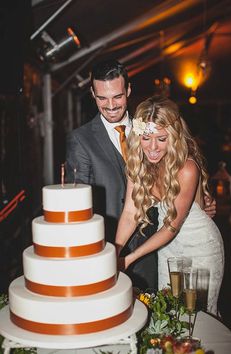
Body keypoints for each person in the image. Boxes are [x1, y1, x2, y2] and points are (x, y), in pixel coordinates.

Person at [66, 59, 216, 291]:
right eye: (102, 98)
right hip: (119, 240)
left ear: (128, 90)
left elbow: (180, 195)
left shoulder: (149, 123)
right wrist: (109, 252)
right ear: (92, 95)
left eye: (117, 96)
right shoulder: (81, 139)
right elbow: (88, 203)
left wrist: (197, 205)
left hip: (160, 243)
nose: (111, 105)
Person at [115, 95, 224, 315]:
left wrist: (128, 259)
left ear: (173, 138)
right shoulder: (137, 166)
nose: (153, 147)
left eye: (162, 139)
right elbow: (130, 213)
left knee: (201, 317)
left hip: (201, 247)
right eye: (146, 138)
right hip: (168, 250)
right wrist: (115, 252)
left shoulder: (186, 168)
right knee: (170, 313)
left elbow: (171, 226)